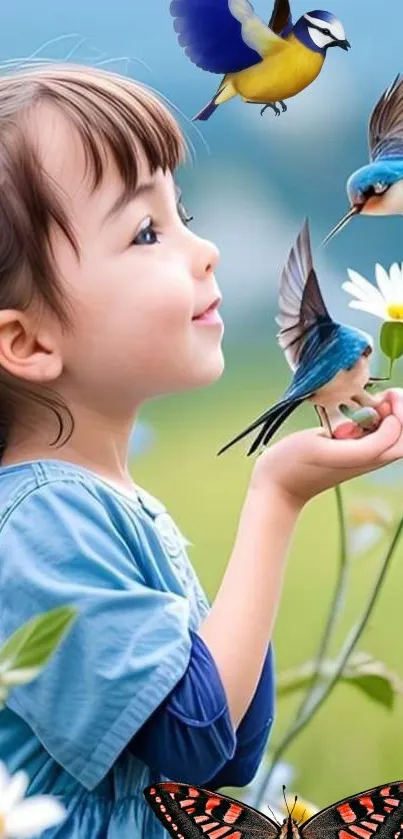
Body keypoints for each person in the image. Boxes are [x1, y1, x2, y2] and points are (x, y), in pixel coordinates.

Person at [0, 63, 402, 839]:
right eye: (146, 232)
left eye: (180, 211)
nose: (206, 249)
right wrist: (275, 497)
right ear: (27, 339)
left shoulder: (104, 503)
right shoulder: (41, 522)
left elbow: (229, 756)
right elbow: (195, 735)